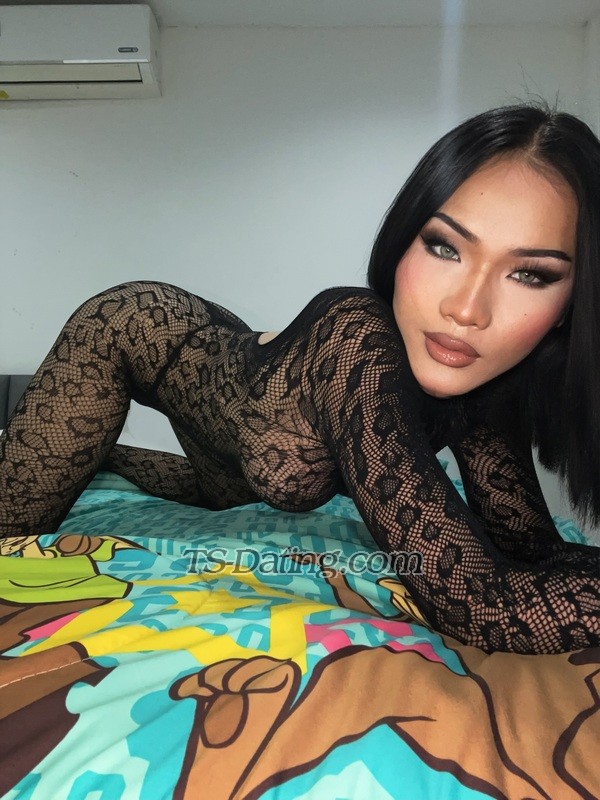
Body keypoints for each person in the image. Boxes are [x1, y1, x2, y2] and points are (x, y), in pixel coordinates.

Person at [1, 103, 599, 655]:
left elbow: (528, 549)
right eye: (445, 247)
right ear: (402, 244)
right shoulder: (354, 338)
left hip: (234, 468)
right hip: (138, 336)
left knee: (217, 489)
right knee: (9, 535)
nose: (467, 310)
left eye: (531, 274)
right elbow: (481, 605)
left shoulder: (489, 383)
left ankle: (110, 459)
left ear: (573, 301)